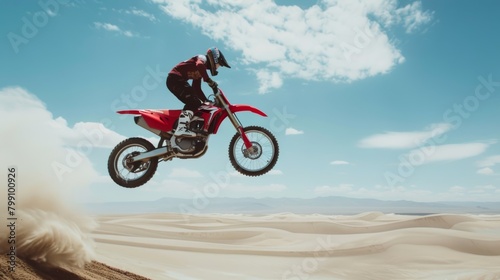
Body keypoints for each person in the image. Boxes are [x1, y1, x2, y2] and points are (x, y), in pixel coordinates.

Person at [166, 47, 231, 141]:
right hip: (174, 79)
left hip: (178, 81)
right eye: (219, 64)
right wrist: (208, 80)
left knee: (198, 104)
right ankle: (181, 128)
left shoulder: (200, 71)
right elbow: (199, 64)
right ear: (214, 58)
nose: (218, 67)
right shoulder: (202, 58)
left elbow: (196, 88)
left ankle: (186, 126)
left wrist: (206, 100)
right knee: (193, 102)